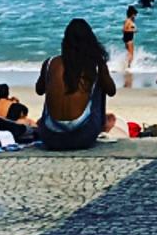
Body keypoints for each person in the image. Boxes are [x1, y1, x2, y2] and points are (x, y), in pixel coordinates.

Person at [34, 18, 117, 152]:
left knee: (49, 80)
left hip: (50, 137)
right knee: (99, 84)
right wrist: (101, 72)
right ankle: (102, 126)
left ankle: (55, 121)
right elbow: (111, 91)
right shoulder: (95, 64)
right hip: (83, 136)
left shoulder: (50, 63)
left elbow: (39, 90)